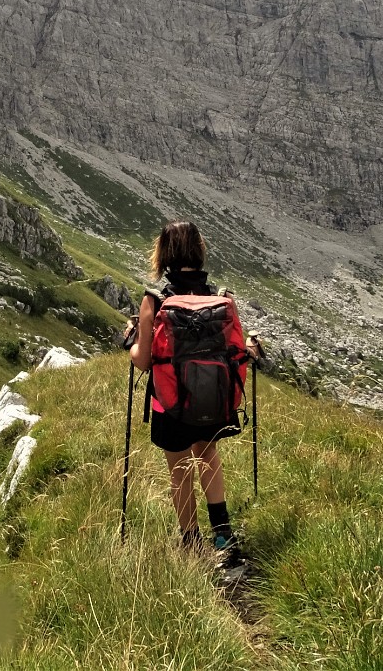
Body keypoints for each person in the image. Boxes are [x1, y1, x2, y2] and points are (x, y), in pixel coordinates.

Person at [129, 220, 241, 556]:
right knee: (208, 455)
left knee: (179, 470)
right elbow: (234, 350)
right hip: (213, 396)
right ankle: (222, 533)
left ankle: (191, 541)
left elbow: (143, 360)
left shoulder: (156, 300)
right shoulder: (220, 297)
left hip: (169, 401)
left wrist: (130, 341)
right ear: (198, 250)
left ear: (163, 253)